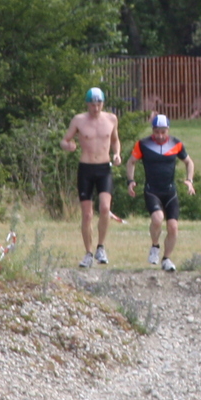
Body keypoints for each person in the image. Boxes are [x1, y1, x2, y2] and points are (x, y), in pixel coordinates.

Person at [60, 87, 121, 266]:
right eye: (93, 105)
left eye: (99, 104)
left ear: (103, 103)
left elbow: (115, 139)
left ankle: (101, 247)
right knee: (87, 214)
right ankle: (88, 253)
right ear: (87, 104)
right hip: (86, 168)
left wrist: (117, 154)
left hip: (104, 168)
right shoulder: (79, 120)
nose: (96, 108)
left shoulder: (111, 119)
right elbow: (64, 140)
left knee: (105, 208)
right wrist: (68, 146)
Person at [128, 114, 194, 270]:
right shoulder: (143, 144)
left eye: (163, 132)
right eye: (156, 132)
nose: (160, 135)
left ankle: (166, 259)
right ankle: (155, 246)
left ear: (168, 130)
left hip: (170, 191)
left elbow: (189, 162)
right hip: (152, 190)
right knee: (157, 219)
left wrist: (189, 180)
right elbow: (131, 162)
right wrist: (130, 181)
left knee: (173, 227)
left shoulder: (176, 144)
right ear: (152, 130)